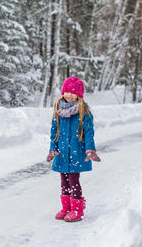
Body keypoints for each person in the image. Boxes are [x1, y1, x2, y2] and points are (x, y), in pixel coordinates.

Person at [46, 76, 101, 222]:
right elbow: (54, 133)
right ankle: (67, 208)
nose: (69, 94)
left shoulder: (83, 111)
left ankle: (77, 209)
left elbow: (89, 132)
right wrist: (53, 149)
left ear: (79, 94)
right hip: (62, 153)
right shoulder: (58, 110)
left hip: (76, 152)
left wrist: (90, 149)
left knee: (73, 180)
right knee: (64, 181)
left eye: (72, 92)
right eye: (66, 91)